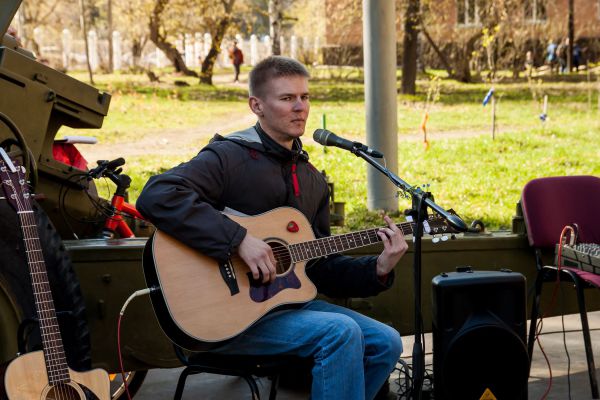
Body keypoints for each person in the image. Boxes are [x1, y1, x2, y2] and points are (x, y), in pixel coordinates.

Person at [137, 56, 407, 400]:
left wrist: (379, 269)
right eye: (287, 98)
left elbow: (318, 268)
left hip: (284, 310)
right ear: (257, 105)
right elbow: (158, 195)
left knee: (386, 342)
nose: (300, 108)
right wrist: (238, 240)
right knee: (340, 332)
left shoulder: (312, 181)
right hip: (223, 319)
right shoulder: (228, 157)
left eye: (305, 97)